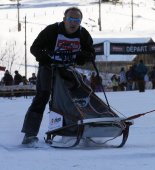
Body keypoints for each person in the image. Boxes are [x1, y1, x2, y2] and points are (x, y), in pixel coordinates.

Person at [21, 7, 95, 145]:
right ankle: (29, 134)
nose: (73, 23)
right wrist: (47, 57)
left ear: (80, 21)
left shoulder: (83, 34)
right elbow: (34, 48)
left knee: (77, 96)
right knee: (43, 95)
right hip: (48, 67)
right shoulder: (52, 30)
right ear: (64, 19)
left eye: (77, 20)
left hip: (67, 68)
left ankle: (79, 130)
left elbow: (91, 53)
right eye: (70, 19)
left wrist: (81, 56)